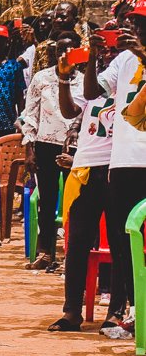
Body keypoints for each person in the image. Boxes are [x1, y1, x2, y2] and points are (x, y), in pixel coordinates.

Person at [50, 33, 122, 331]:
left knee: (120, 243)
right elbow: (69, 111)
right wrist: (64, 79)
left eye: (110, 48)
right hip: (86, 168)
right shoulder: (94, 80)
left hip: (119, 168)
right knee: (77, 242)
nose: (108, 53)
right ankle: (71, 312)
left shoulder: (134, 79)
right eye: (102, 49)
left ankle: (116, 312)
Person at [91, 2, 146, 325]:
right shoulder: (123, 59)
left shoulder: (136, 55)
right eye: (131, 23)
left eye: (140, 23)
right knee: (123, 238)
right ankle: (126, 308)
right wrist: (92, 59)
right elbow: (94, 90)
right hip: (123, 160)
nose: (134, 29)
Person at [20, 34, 79, 271]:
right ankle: (46, 252)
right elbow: (30, 113)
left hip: (74, 148)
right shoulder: (41, 78)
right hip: (45, 145)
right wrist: (29, 149)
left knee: (74, 203)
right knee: (47, 200)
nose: (65, 55)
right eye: (60, 51)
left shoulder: (86, 81)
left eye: (70, 50)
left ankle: (70, 255)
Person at [0, 23, 26, 137]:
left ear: (7, 42)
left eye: (1, 40)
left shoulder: (14, 66)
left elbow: (19, 94)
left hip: (7, 120)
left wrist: (21, 118)